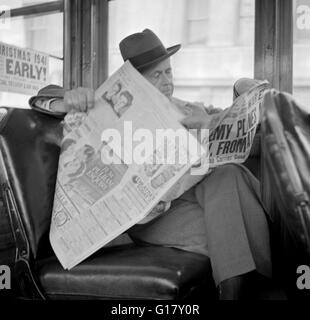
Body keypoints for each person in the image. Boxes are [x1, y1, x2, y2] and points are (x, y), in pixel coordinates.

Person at [29, 29, 272, 300]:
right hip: (152, 216)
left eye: (169, 72)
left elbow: (235, 125)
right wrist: (67, 98)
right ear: (137, 81)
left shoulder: (188, 107)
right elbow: (44, 96)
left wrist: (221, 116)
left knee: (228, 177)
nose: (167, 82)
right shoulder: (113, 107)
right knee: (237, 222)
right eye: (156, 75)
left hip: (201, 200)